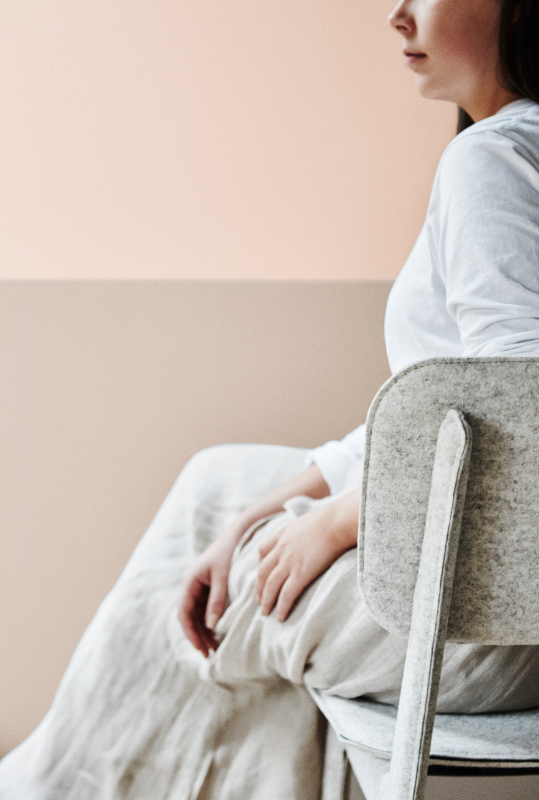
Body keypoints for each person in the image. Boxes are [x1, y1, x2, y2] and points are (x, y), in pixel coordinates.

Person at [2, 0, 539, 798]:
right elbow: (445, 417)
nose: (396, 16)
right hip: (496, 594)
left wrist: (331, 522)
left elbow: (514, 416)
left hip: (484, 627)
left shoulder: (491, 159)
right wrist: (277, 505)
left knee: (219, 596)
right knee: (220, 490)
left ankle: (51, 785)